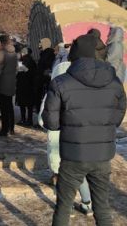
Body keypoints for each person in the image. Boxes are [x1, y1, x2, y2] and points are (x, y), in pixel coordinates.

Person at [42, 34, 126, 225]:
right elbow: (117, 116)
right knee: (102, 208)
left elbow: (51, 122)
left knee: (63, 207)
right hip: (102, 154)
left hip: (73, 155)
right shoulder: (114, 83)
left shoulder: (61, 82)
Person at [38, 43, 93, 217]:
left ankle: (65, 207)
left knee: (63, 175)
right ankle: (87, 203)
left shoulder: (53, 92)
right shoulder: (84, 90)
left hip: (58, 140)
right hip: (79, 140)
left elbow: (42, 119)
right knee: (79, 173)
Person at [0, 34, 18, 136]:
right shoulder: (14, 53)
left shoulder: (1, 53)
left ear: (1, 43)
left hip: (1, 83)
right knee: (9, 106)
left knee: (3, 107)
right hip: (11, 83)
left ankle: (4, 129)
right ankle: (11, 128)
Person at [15, 48, 36, 126]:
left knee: (22, 104)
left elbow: (20, 71)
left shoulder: (23, 61)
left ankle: (23, 119)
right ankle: (29, 120)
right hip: (30, 85)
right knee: (29, 105)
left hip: (22, 85)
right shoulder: (32, 61)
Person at [35, 38, 55, 113]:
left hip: (44, 81)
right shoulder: (44, 53)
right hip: (41, 80)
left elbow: (46, 66)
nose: (39, 45)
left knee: (42, 100)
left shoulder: (48, 54)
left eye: (40, 43)